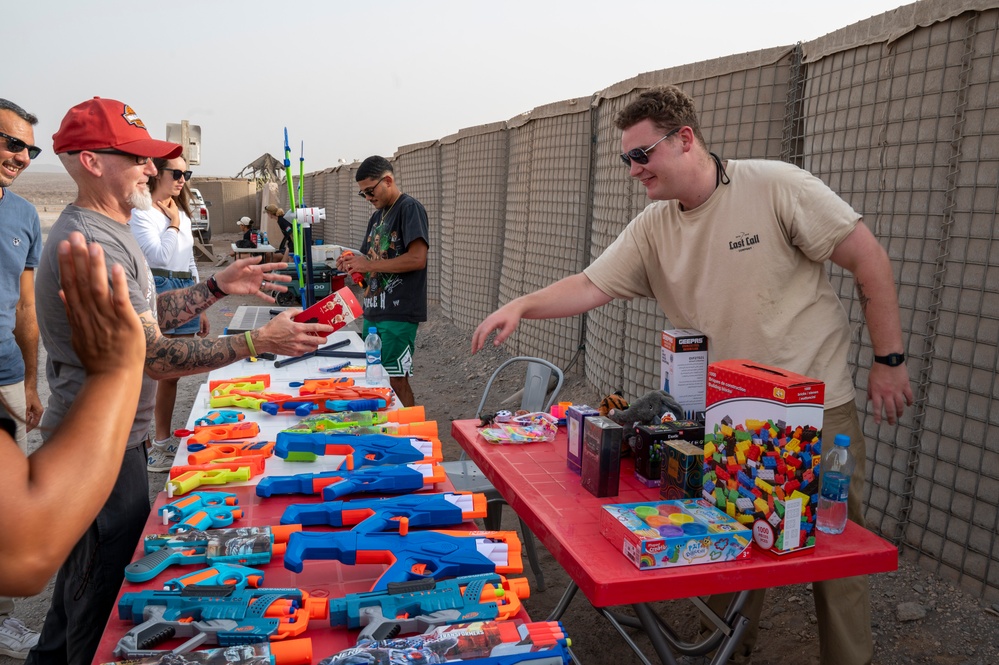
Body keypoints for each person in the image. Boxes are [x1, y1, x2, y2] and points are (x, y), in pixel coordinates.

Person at [471, 86, 914, 665]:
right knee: (729, 534)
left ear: (684, 140)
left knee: (833, 550)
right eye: (626, 158)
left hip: (812, 406)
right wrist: (523, 304)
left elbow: (868, 258)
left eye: (642, 154)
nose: (633, 169)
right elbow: (591, 284)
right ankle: (731, 649)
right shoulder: (654, 226)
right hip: (725, 414)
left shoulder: (776, 186)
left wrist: (889, 360)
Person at [29, 96, 335, 665]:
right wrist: (255, 343)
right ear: (93, 161)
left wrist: (215, 287)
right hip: (97, 448)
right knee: (97, 598)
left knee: (78, 589)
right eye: (138, 159)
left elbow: (145, 315)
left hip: (110, 439)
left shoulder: (109, 228)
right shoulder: (94, 240)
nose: (151, 170)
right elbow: (154, 356)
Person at [129, 155, 209, 471]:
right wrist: (174, 223)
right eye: (176, 172)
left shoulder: (182, 215)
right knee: (150, 372)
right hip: (158, 289)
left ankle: (160, 443)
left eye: (186, 173)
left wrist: (200, 302)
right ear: (156, 173)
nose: (182, 179)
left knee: (174, 372)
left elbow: (189, 262)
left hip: (184, 288)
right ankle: (143, 445)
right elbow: (159, 255)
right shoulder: (142, 211)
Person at [0, 98, 44, 659]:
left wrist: (32, 383)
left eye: (29, 149)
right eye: (11, 142)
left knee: (8, 508)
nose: (22, 156)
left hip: (6, 375)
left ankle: (2, 616)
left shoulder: (25, 216)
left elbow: (26, 310)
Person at [337, 156, 429, 408]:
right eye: (362, 194)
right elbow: (370, 263)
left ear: (387, 180)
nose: (367, 197)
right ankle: (389, 431)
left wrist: (369, 264)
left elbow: (417, 258)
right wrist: (353, 263)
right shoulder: (377, 218)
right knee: (377, 381)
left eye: (370, 190)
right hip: (374, 312)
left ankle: (412, 436)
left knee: (397, 380)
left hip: (399, 313)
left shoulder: (409, 208)